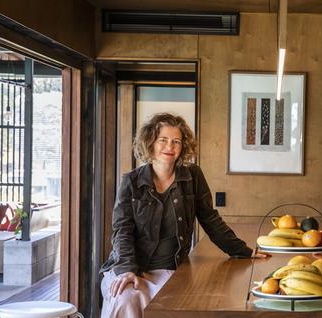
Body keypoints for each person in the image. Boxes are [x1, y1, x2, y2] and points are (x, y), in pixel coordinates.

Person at [100, 113, 266, 317]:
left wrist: (243, 250)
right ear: (150, 142)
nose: (170, 147)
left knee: (178, 304)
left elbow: (210, 219)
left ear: (183, 146)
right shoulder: (131, 181)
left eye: (176, 141)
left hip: (169, 269)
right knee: (125, 298)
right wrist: (127, 269)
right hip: (132, 266)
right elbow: (121, 230)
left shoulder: (193, 176)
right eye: (163, 140)